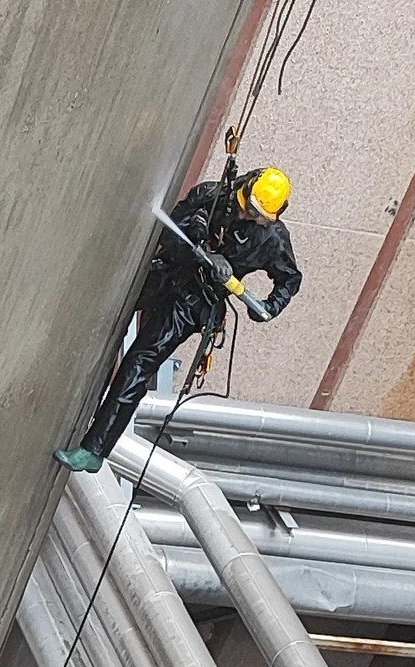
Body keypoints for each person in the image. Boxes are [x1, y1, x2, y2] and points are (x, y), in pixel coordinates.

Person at [57, 165, 300, 472]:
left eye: (255, 215)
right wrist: (201, 245)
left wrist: (268, 306)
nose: (245, 216)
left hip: (194, 302)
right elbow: (173, 224)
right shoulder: (213, 195)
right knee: (103, 322)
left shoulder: (272, 239)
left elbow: (290, 279)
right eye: (246, 207)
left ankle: (94, 450)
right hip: (166, 272)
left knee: (139, 363)